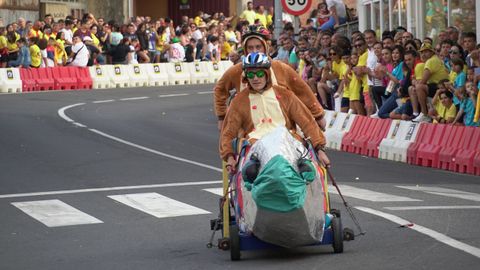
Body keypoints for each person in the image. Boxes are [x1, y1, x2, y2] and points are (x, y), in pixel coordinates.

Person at [220, 52, 330, 172]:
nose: (255, 78)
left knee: (309, 171)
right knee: (250, 172)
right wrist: (229, 157)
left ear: (267, 74)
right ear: (246, 77)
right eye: (251, 74)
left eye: (260, 74)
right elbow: (228, 132)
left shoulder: (285, 94)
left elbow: (307, 122)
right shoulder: (239, 101)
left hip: (289, 143)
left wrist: (319, 149)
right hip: (255, 147)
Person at [213, 26, 326, 132]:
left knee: (314, 150)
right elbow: (220, 89)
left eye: (258, 47)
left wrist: (318, 115)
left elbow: (302, 91)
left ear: (265, 47)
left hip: (284, 131)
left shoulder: (281, 68)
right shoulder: (237, 70)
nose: (255, 51)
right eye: (250, 48)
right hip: (250, 133)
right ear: (245, 49)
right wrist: (222, 117)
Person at [411, 43, 449, 122]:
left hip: (442, 87)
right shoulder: (432, 60)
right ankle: (415, 113)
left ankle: (424, 114)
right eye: (421, 52)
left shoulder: (431, 61)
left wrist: (415, 82)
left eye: (426, 52)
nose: (423, 54)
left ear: (432, 52)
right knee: (412, 88)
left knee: (419, 87)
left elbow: (422, 81)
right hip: (438, 85)